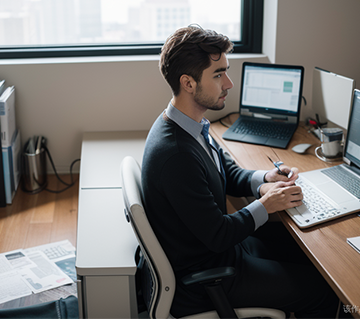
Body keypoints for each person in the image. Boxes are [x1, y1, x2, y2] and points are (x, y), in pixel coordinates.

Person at [141, 25, 340, 318]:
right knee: (325, 289)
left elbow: (227, 172)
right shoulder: (176, 154)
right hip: (207, 276)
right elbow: (219, 234)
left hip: (220, 252)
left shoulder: (190, 124)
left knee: (309, 255)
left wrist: (264, 180)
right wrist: (266, 204)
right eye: (218, 74)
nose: (229, 83)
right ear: (189, 83)